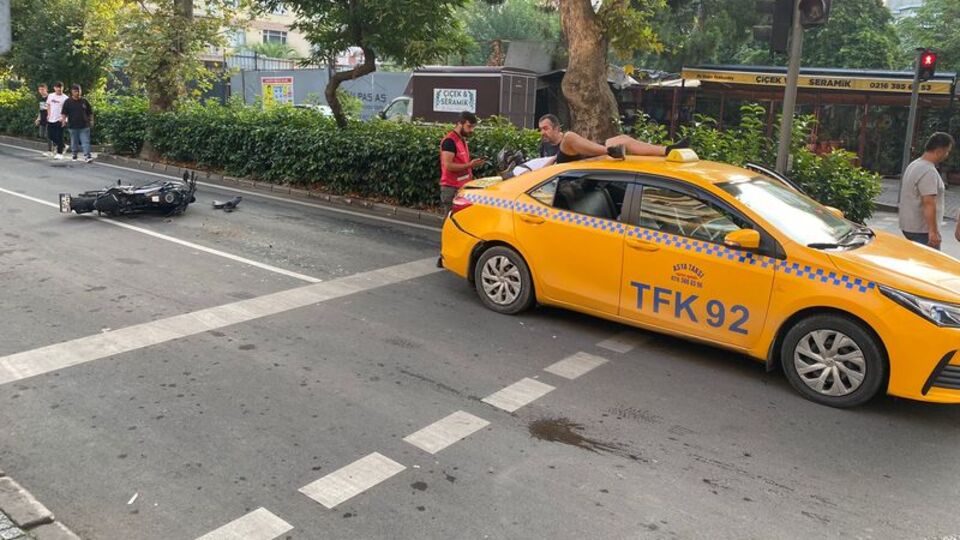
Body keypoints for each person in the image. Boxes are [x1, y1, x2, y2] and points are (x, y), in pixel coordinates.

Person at [537, 114, 685, 163]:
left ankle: (668, 149)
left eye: (545, 128)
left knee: (622, 138)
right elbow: (546, 166)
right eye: (540, 129)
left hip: (587, 156)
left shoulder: (568, 141)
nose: (542, 132)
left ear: (556, 128)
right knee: (570, 137)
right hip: (566, 164)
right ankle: (610, 151)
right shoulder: (544, 146)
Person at [899, 132, 953, 250]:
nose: (947, 154)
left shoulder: (914, 165)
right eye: (947, 151)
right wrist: (933, 232)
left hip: (909, 226)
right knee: (929, 266)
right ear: (939, 151)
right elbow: (929, 202)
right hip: (922, 230)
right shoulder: (928, 171)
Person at [439, 111, 484, 214]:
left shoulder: (461, 139)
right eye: (469, 126)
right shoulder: (449, 141)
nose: (471, 130)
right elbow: (448, 166)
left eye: (473, 127)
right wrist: (470, 165)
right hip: (452, 188)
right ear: (460, 123)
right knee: (452, 222)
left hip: (461, 188)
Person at [61, 84, 95, 163]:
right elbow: (64, 113)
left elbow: (90, 112)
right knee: (74, 142)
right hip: (73, 126)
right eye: (76, 91)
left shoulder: (84, 101)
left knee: (85, 141)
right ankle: (74, 154)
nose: (78, 93)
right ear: (72, 92)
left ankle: (87, 156)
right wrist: (63, 121)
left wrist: (92, 121)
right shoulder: (68, 102)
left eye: (79, 91)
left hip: (84, 125)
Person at [45, 82, 68, 160]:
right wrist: (48, 114)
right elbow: (48, 105)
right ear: (54, 88)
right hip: (51, 118)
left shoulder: (65, 98)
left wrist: (64, 119)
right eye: (57, 87)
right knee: (50, 136)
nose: (59, 89)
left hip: (60, 119)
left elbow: (67, 110)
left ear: (62, 88)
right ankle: (63, 146)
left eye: (60, 88)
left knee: (59, 136)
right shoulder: (51, 96)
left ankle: (59, 153)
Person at [33, 84, 53, 156]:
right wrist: (38, 119)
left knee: (48, 135)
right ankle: (62, 145)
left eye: (42, 89)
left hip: (49, 119)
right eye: (40, 90)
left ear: (46, 89)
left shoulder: (50, 97)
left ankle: (50, 151)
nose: (41, 91)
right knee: (42, 134)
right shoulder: (41, 98)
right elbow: (41, 110)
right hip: (43, 119)